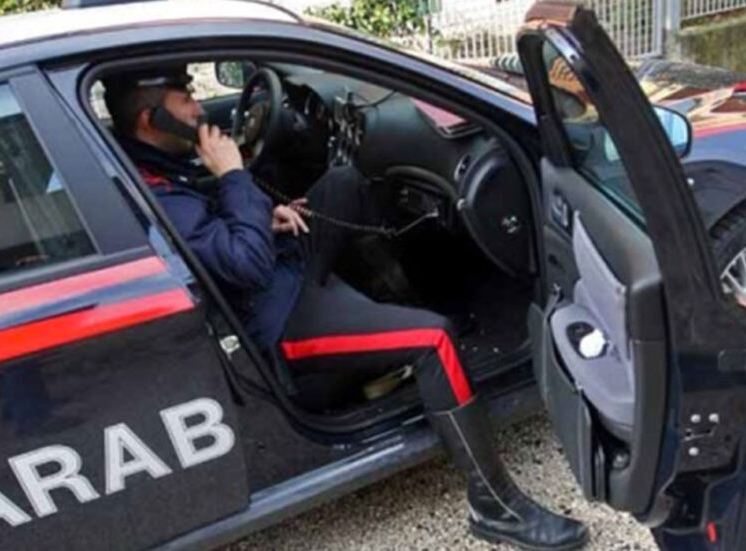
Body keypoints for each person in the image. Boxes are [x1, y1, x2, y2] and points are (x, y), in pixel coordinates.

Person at [104, 66, 588, 551]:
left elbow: (210, 239)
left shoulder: (150, 165)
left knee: (344, 182)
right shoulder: (157, 188)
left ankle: (388, 317)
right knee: (436, 339)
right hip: (279, 315)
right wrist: (233, 176)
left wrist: (259, 215)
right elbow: (244, 264)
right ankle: (496, 507)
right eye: (185, 98)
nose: (196, 106)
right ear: (152, 119)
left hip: (279, 271)